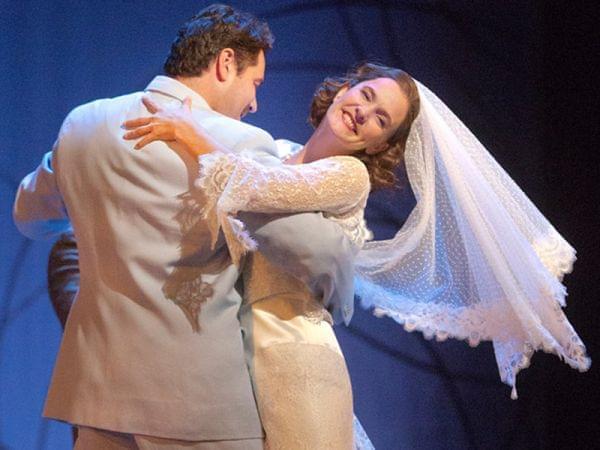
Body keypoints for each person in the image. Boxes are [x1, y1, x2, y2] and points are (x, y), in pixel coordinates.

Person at [124, 62, 590, 447]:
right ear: (346, 88)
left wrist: (190, 132)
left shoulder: (349, 177)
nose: (363, 113)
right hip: (239, 353)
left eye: (381, 119)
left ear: (379, 144)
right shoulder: (277, 152)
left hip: (296, 356)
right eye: (365, 95)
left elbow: (261, 187)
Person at [13, 4, 358, 449]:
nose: (254, 103)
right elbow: (309, 248)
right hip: (197, 408)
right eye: (254, 84)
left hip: (98, 400)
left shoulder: (83, 122)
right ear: (225, 63)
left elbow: (28, 214)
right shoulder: (237, 142)